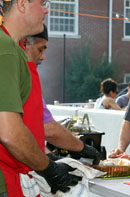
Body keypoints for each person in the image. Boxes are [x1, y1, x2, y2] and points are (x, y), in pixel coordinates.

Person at [0, 1, 81, 196]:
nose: (46, 9)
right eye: (42, 3)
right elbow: (9, 132)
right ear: (22, 4)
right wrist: (50, 169)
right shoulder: (6, 48)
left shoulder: (13, 47)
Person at [21, 24, 102, 163]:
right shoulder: (21, 77)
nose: (43, 57)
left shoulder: (24, 74)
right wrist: (82, 148)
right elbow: (48, 130)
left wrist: (50, 158)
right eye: (40, 49)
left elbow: (34, 135)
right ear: (24, 43)